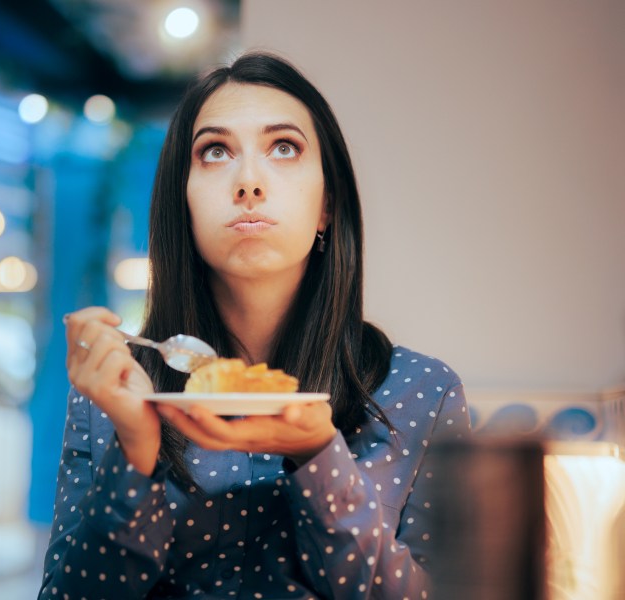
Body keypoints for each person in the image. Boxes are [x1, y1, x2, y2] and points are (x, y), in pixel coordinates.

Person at [39, 51, 470, 600]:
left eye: (284, 148)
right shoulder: (117, 396)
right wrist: (134, 449)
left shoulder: (422, 394)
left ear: (327, 206)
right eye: (215, 152)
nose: (248, 182)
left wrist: (321, 458)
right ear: (183, 203)